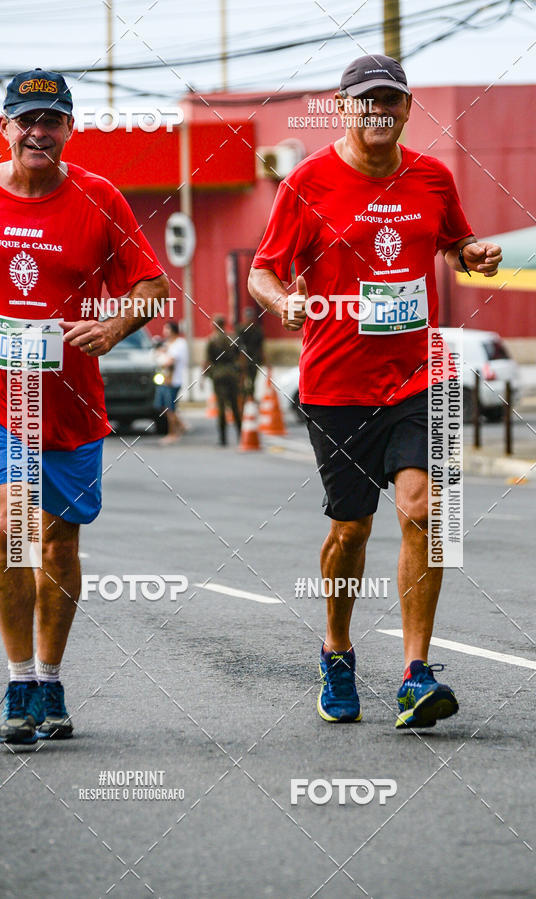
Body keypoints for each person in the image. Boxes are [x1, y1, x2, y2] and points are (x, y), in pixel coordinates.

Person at [248, 54, 501, 729]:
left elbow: (452, 240)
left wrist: (469, 254)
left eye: (390, 101)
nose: (378, 112)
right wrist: (285, 304)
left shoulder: (433, 176)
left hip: (422, 372)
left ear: (407, 109)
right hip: (338, 381)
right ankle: (336, 647)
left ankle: (417, 673)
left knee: (425, 510)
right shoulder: (307, 183)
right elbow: (263, 271)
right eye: (366, 102)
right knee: (350, 527)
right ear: (344, 108)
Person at [0, 68, 169, 744]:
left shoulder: (100, 199)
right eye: (26, 119)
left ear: (69, 128)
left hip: (70, 402)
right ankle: (16, 682)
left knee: (60, 541)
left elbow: (152, 284)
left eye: (53, 119)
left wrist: (116, 326)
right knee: (8, 525)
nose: (39, 131)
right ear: (4, 126)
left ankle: (49, 675)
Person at [205, 315, 242, 445]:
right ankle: (240, 434)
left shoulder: (212, 340)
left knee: (221, 407)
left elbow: (208, 360)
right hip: (232, 373)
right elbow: (239, 357)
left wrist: (204, 376)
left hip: (218, 374)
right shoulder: (232, 338)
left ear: (215, 325)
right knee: (235, 406)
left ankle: (223, 438)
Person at [154, 320, 188, 444]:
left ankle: (173, 434)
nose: (164, 332)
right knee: (163, 406)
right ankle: (182, 425)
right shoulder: (169, 343)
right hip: (164, 380)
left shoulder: (179, 344)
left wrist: (161, 359)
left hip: (173, 380)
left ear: (173, 330)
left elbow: (170, 361)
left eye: (166, 329)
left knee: (170, 408)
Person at [236, 306, 264, 398]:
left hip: (254, 359)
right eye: (247, 317)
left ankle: (251, 396)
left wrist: (264, 360)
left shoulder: (257, 330)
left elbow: (260, 346)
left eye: (250, 317)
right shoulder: (240, 330)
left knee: (252, 380)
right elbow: (237, 346)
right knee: (241, 379)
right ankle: (242, 397)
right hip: (242, 359)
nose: (249, 319)